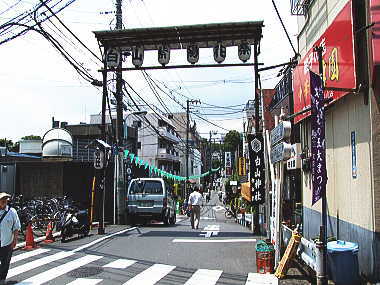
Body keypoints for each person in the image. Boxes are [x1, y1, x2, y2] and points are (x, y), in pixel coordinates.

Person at [0, 193, 21, 284]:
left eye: (5, 199)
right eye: (2, 199)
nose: (4, 201)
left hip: (7, 242)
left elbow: (16, 227)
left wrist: (15, 240)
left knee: (5, 262)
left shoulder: (12, 211)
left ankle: (2, 278)